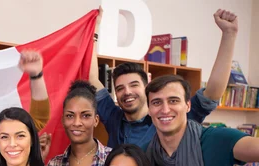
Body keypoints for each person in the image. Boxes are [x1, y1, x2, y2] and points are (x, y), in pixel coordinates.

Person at [89, 9, 238, 148]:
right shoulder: (113, 117)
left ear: (147, 88)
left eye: (134, 85)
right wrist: (93, 29)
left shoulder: (170, 117)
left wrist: (229, 35)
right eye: (120, 88)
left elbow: (212, 94)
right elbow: (93, 79)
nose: (127, 92)